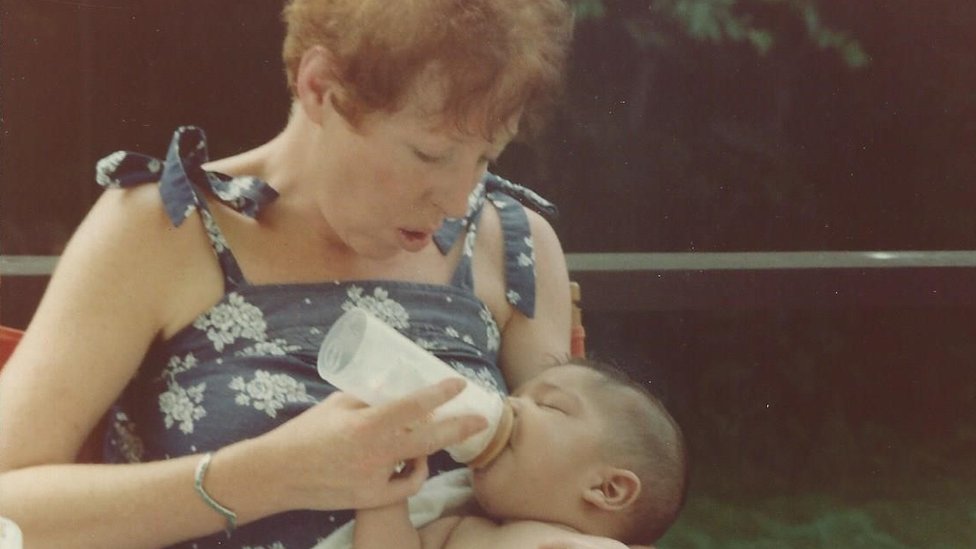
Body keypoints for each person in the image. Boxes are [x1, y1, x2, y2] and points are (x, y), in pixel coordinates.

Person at [0, 1, 578, 547]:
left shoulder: (513, 245)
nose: (457, 200)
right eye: (430, 155)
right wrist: (270, 475)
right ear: (320, 86)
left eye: (485, 157)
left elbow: (588, 489)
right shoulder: (165, 229)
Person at [320, 359, 688, 549]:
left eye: (549, 404)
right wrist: (387, 489)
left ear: (608, 489)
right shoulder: (457, 529)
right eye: (516, 393)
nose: (509, 404)